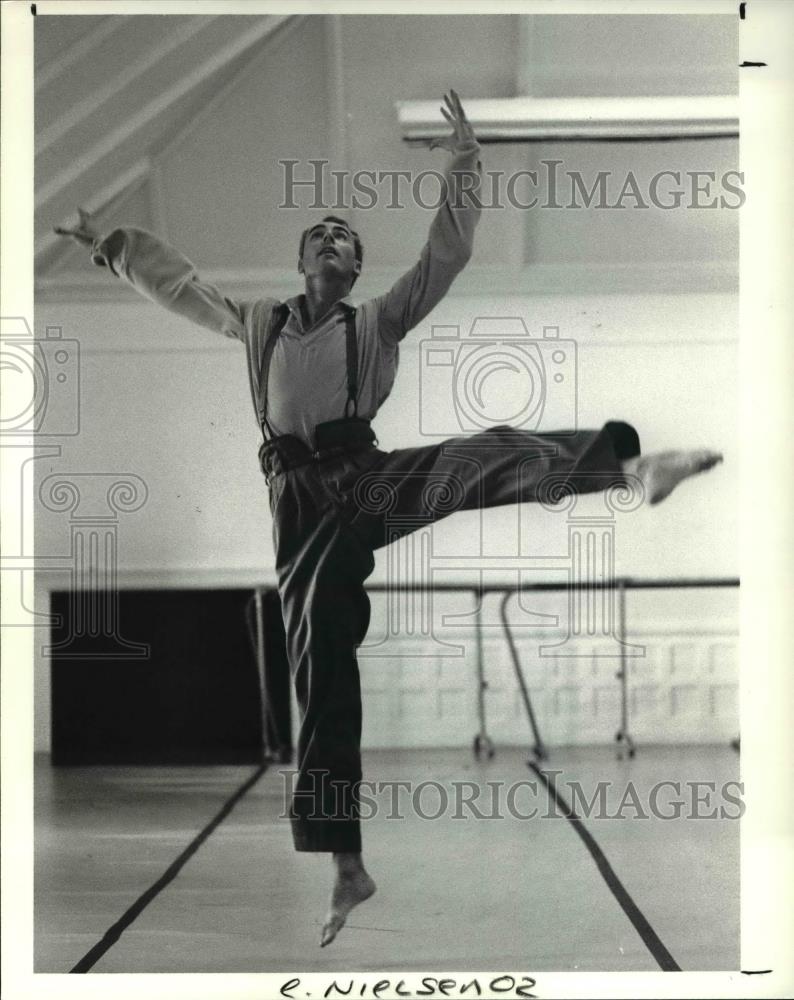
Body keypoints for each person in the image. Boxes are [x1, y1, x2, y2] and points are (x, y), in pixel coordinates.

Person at [56, 90, 722, 947]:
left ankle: (627, 466)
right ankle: (346, 863)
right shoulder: (259, 324)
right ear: (303, 259)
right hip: (299, 515)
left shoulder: (375, 322)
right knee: (321, 678)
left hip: (365, 478)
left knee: (484, 455)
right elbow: (183, 287)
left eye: (347, 239)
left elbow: (444, 258)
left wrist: (465, 165)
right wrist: (112, 245)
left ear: (355, 269)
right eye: (322, 234)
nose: (334, 241)